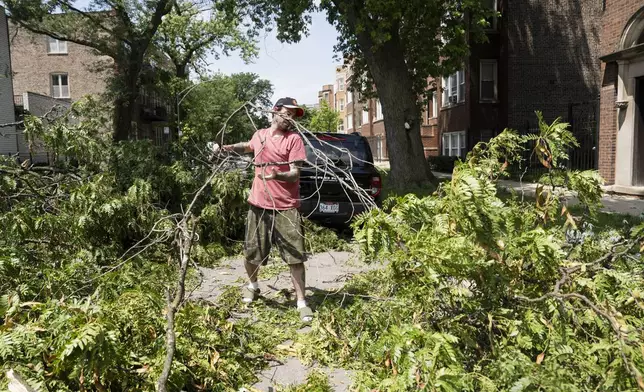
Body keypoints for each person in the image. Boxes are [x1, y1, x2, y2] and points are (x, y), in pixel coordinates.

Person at [221, 97, 313, 322]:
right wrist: (226, 148)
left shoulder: (294, 140)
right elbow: (248, 147)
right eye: (288, 113)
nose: (291, 118)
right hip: (258, 205)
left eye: (294, 115)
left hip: (286, 207)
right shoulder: (260, 135)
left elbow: (295, 173)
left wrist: (277, 174)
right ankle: (253, 286)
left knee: (295, 257)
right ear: (275, 111)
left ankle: (301, 302)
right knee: (252, 252)